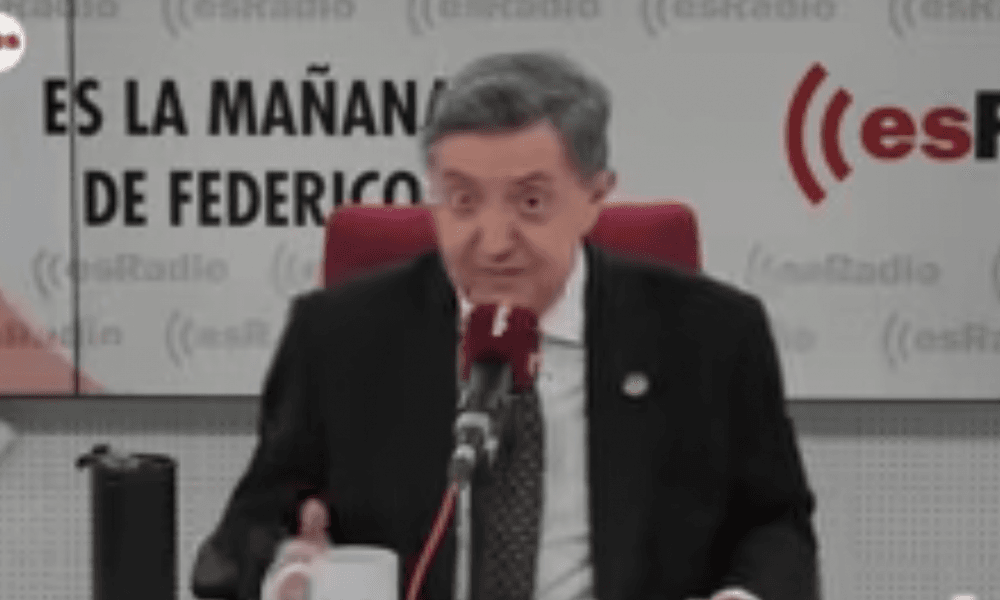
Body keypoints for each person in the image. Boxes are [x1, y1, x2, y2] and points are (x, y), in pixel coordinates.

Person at [191, 51, 820, 600]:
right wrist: (288, 571)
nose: (493, 243)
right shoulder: (338, 337)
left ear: (595, 196)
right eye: (462, 201)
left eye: (531, 202)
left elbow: (774, 525)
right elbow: (249, 530)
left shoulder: (712, 336)